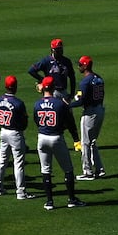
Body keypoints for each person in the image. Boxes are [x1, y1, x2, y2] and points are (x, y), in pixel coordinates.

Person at [32, 77, 83, 210]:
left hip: (42, 138)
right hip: (56, 138)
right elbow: (70, 123)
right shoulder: (61, 104)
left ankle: (49, 202)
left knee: (45, 170)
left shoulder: (37, 104)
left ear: (43, 87)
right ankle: (71, 199)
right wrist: (76, 139)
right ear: (54, 88)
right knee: (68, 169)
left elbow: (36, 121)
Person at [0, 75, 31, 199]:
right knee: (18, 163)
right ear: (15, 87)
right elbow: (24, 122)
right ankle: (20, 192)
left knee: (2, 161)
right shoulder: (18, 103)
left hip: (3, 132)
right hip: (15, 134)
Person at [70, 55, 106, 179]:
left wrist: (68, 105)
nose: (78, 66)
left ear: (85, 66)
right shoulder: (99, 78)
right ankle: (99, 169)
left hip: (90, 113)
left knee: (85, 142)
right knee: (92, 142)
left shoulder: (85, 81)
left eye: (80, 64)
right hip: (100, 109)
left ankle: (88, 172)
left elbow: (81, 101)